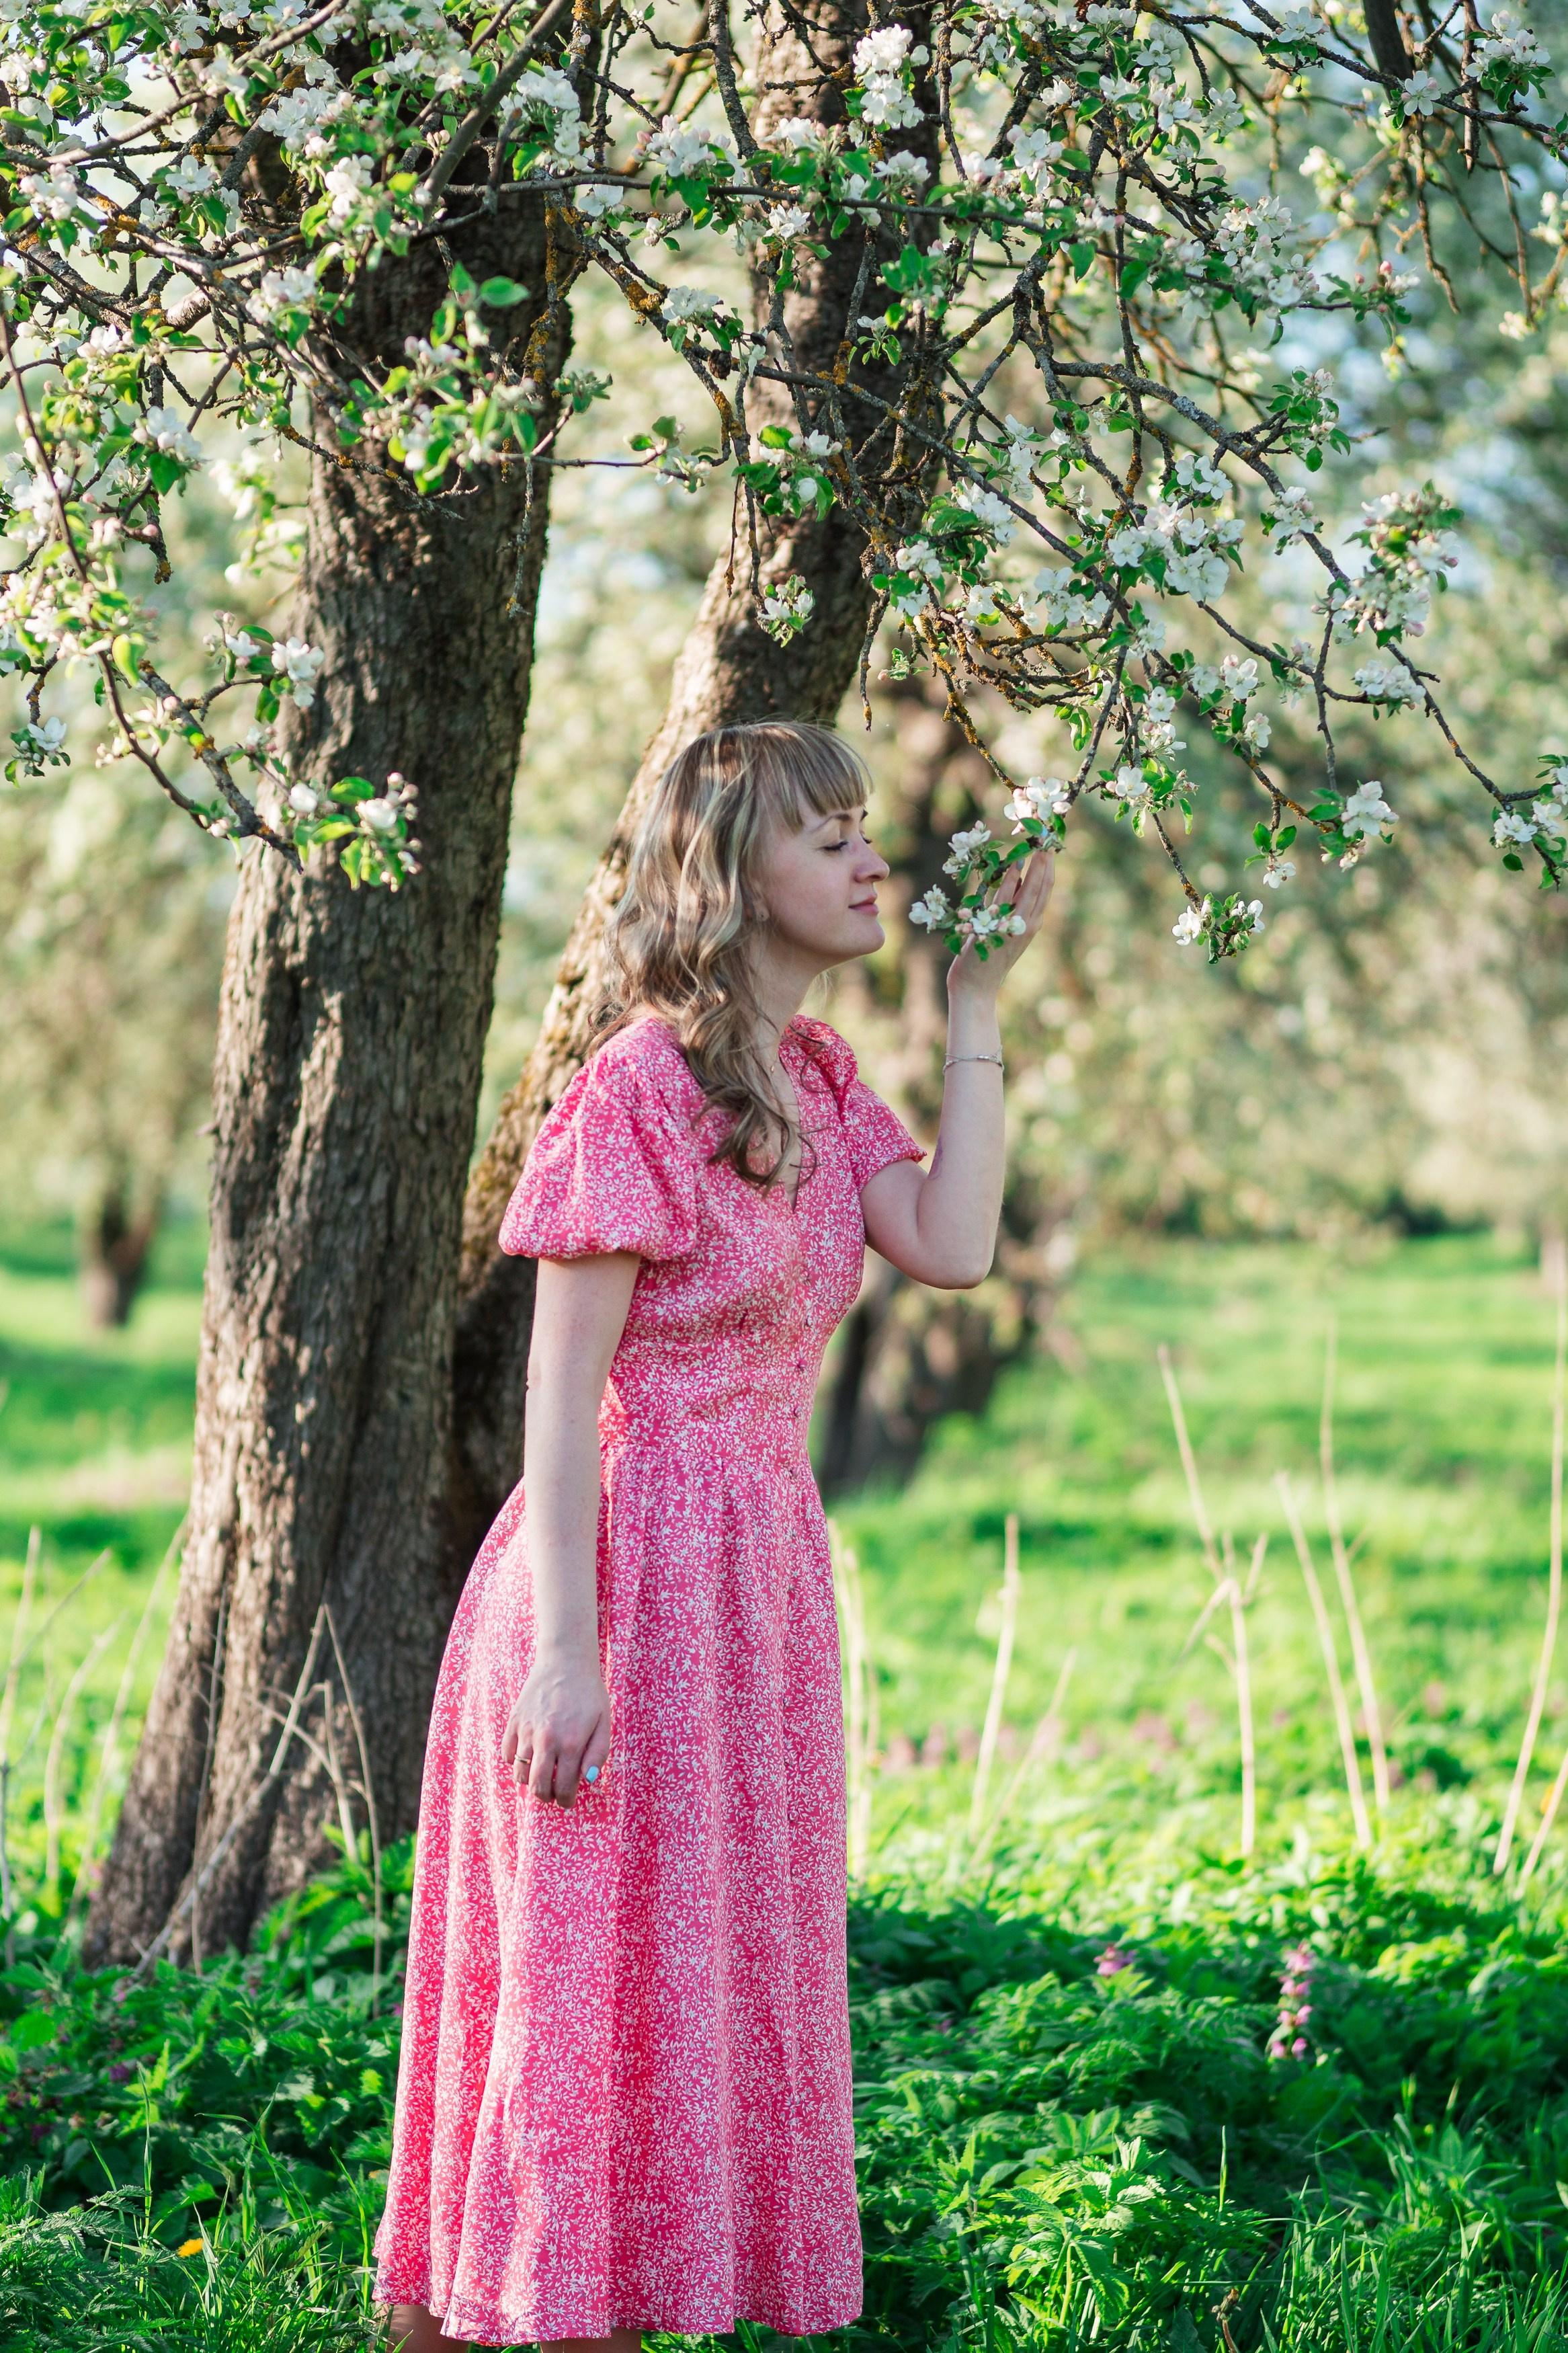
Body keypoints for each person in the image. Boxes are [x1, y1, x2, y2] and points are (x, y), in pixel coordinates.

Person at [376, 719, 1053, 2351]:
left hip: (754, 1585)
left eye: (862, 831)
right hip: (612, 1576)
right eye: (830, 838)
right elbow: (560, 1386)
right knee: (584, 1998)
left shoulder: (818, 1080)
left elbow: (954, 1243)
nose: (871, 859)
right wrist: (564, 1647)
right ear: (735, 871)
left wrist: (976, 1012)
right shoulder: (639, 1087)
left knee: (705, 1985)